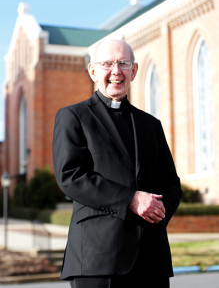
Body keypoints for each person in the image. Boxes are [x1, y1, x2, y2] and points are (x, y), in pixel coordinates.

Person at [53, 39, 182, 288]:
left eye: (123, 63)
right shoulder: (73, 116)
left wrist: (155, 211)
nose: (116, 71)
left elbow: (171, 184)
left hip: (151, 257)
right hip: (97, 256)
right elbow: (71, 176)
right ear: (93, 71)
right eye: (107, 64)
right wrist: (130, 199)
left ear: (133, 71)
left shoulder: (151, 125)